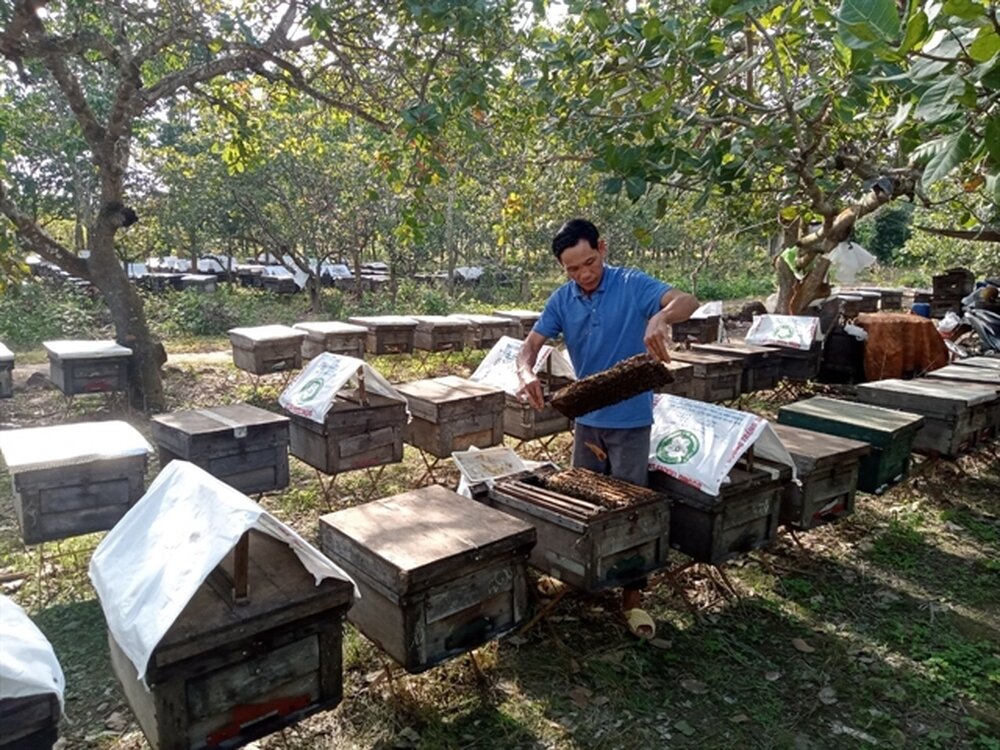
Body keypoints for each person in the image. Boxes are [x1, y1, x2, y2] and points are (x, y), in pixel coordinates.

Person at [517, 218, 699, 636]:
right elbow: (528, 347)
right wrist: (525, 371)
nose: (583, 274)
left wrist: (662, 319)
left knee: (630, 511)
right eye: (572, 269)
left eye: (590, 262)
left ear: (603, 247)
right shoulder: (563, 300)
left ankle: (632, 598)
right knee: (579, 504)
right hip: (587, 421)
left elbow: (687, 300)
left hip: (631, 422)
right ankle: (577, 575)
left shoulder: (632, 284)